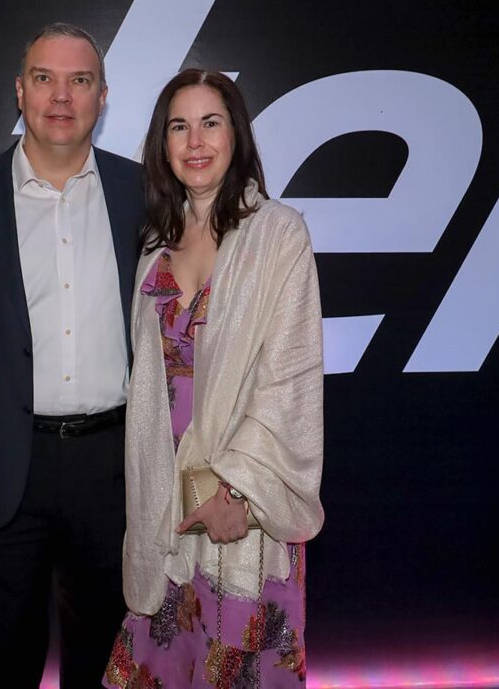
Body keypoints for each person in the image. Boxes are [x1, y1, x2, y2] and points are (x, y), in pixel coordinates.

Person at [0, 23, 144, 688]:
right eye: (44, 78)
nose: (61, 96)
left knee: (105, 659)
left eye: (79, 80)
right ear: (20, 91)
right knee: (4, 656)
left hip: (113, 468)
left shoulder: (145, 194)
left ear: (102, 97)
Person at [104, 69, 324, 688]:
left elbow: (290, 379)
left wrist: (236, 492)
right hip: (167, 509)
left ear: (236, 135)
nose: (195, 141)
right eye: (179, 126)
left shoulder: (278, 233)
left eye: (210, 122)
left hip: (240, 508)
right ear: (163, 143)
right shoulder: (157, 243)